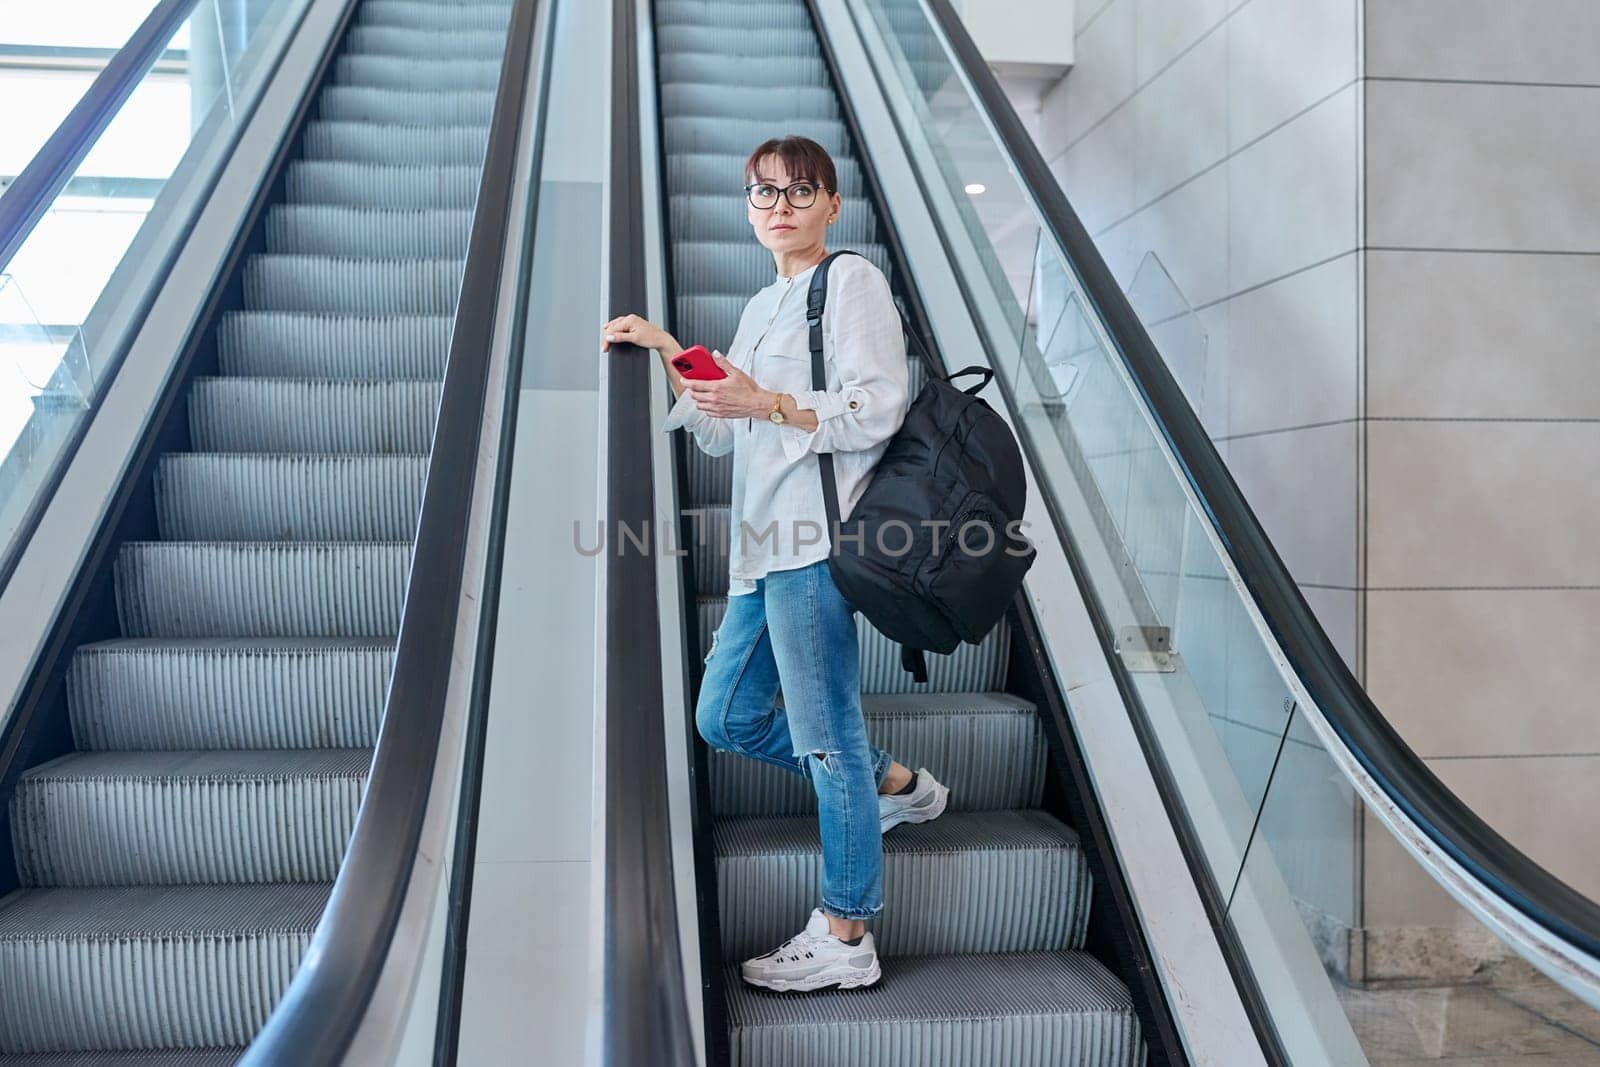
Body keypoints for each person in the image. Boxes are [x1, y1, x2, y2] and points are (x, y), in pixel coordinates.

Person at [600, 135, 949, 992]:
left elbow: (878, 407)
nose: (780, 205)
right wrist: (671, 350)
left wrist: (769, 399)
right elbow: (726, 433)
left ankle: (846, 930)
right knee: (723, 716)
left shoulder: (851, 282)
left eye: (800, 190)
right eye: (763, 193)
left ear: (832, 204)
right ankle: (894, 786)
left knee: (827, 741)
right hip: (760, 552)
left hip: (816, 547)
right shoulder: (763, 304)